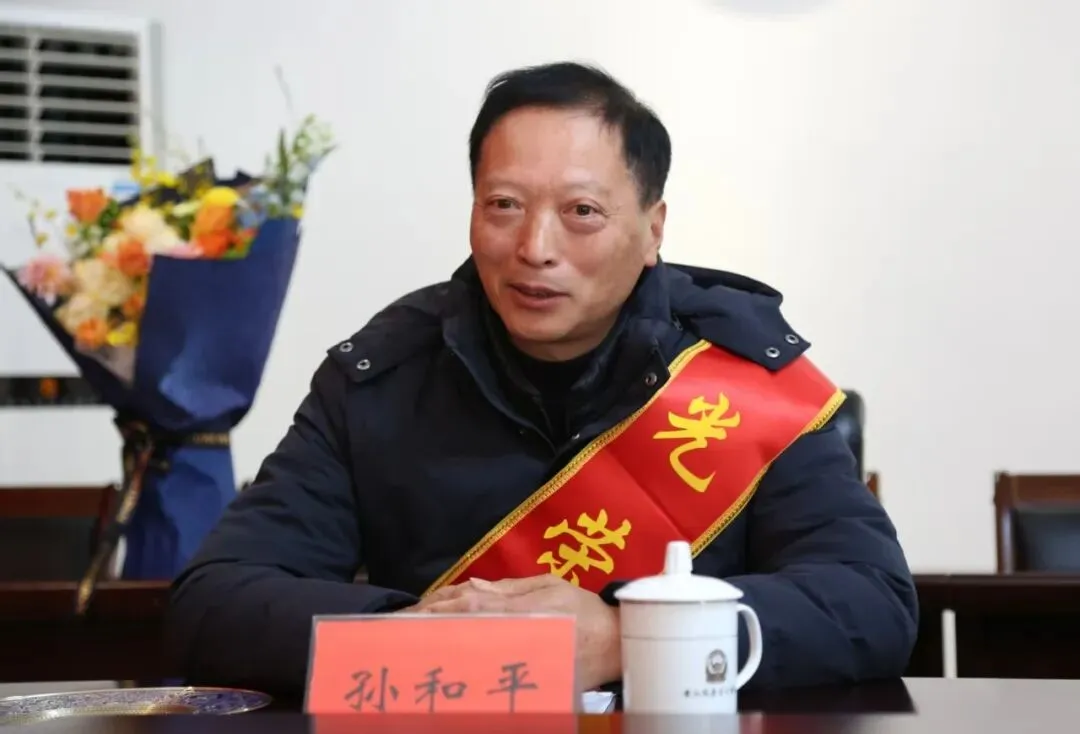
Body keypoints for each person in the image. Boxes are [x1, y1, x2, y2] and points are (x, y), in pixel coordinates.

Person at [167, 61, 917, 698]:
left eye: (582, 212)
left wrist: (627, 638)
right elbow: (214, 602)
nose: (535, 247)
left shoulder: (742, 381)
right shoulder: (382, 380)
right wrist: (414, 637)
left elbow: (871, 603)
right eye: (504, 205)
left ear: (653, 230)